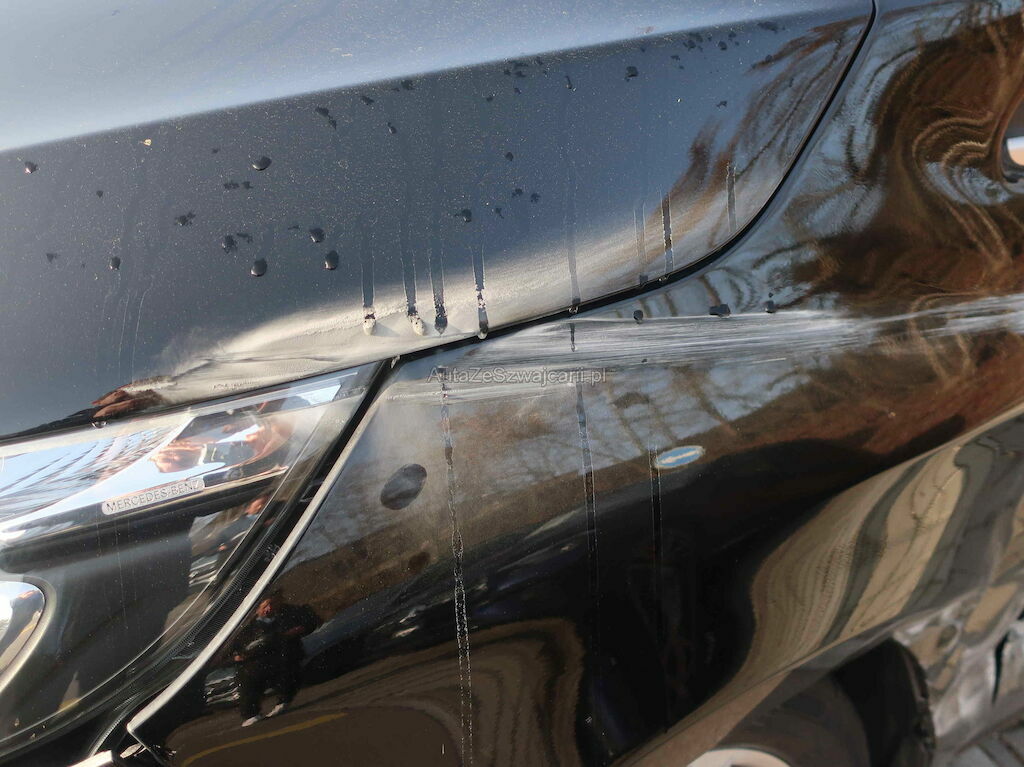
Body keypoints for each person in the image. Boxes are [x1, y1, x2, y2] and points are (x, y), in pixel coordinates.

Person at [228, 593, 320, 726]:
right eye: (265, 606)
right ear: (256, 609)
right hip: (258, 664)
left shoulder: (288, 614)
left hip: (283, 658)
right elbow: (236, 647)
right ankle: (252, 713)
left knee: (286, 671)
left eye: (272, 604)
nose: (269, 609)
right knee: (247, 679)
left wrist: (296, 631)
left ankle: (284, 699)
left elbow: (309, 622)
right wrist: (237, 655)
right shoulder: (248, 627)